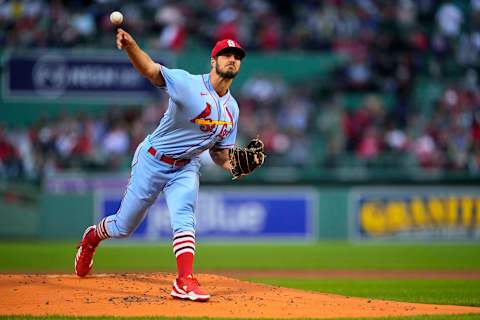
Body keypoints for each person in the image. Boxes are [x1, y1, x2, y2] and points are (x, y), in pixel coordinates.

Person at [74, 29, 264, 302]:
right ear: (213, 61)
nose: (232, 59)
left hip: (185, 167)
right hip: (153, 160)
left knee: (185, 216)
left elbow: (220, 155)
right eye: (225, 55)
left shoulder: (232, 110)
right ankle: (92, 237)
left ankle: (184, 280)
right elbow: (152, 71)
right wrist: (131, 46)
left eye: (236, 56)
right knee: (122, 227)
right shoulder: (188, 84)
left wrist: (237, 165)